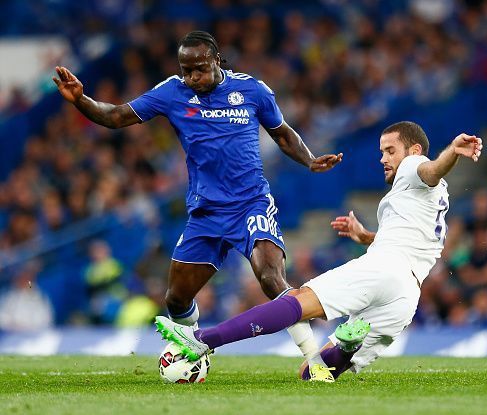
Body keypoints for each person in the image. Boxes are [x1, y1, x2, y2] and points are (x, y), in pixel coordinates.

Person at [52, 31, 342, 367]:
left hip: (252, 204)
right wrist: (81, 100)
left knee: (270, 277)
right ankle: (193, 348)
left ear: (217, 60)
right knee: (175, 299)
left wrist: (309, 160)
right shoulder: (172, 91)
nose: (192, 77)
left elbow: (282, 133)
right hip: (205, 213)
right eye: (186, 70)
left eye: (199, 69)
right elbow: (116, 116)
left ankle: (316, 360)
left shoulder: (252, 90)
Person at [155, 121, 483, 382]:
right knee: (311, 373)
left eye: (390, 150)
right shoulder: (435, 200)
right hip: (404, 297)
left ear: (413, 150)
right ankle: (348, 344)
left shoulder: (416, 165)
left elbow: (430, 169)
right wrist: (366, 235)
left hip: (383, 269)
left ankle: (203, 339)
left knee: (295, 301)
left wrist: (452, 151)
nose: (383, 158)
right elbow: (409, 240)